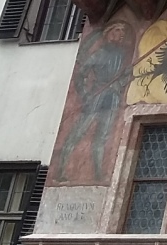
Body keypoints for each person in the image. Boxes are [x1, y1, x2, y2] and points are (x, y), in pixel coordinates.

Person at [56, 21, 134, 181]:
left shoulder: (120, 54)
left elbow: (121, 80)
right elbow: (81, 75)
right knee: (78, 132)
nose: (121, 34)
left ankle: (98, 174)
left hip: (112, 98)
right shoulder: (99, 54)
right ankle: (61, 170)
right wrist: (85, 94)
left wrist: (125, 76)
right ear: (109, 32)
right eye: (118, 30)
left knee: (103, 136)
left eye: (123, 32)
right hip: (95, 97)